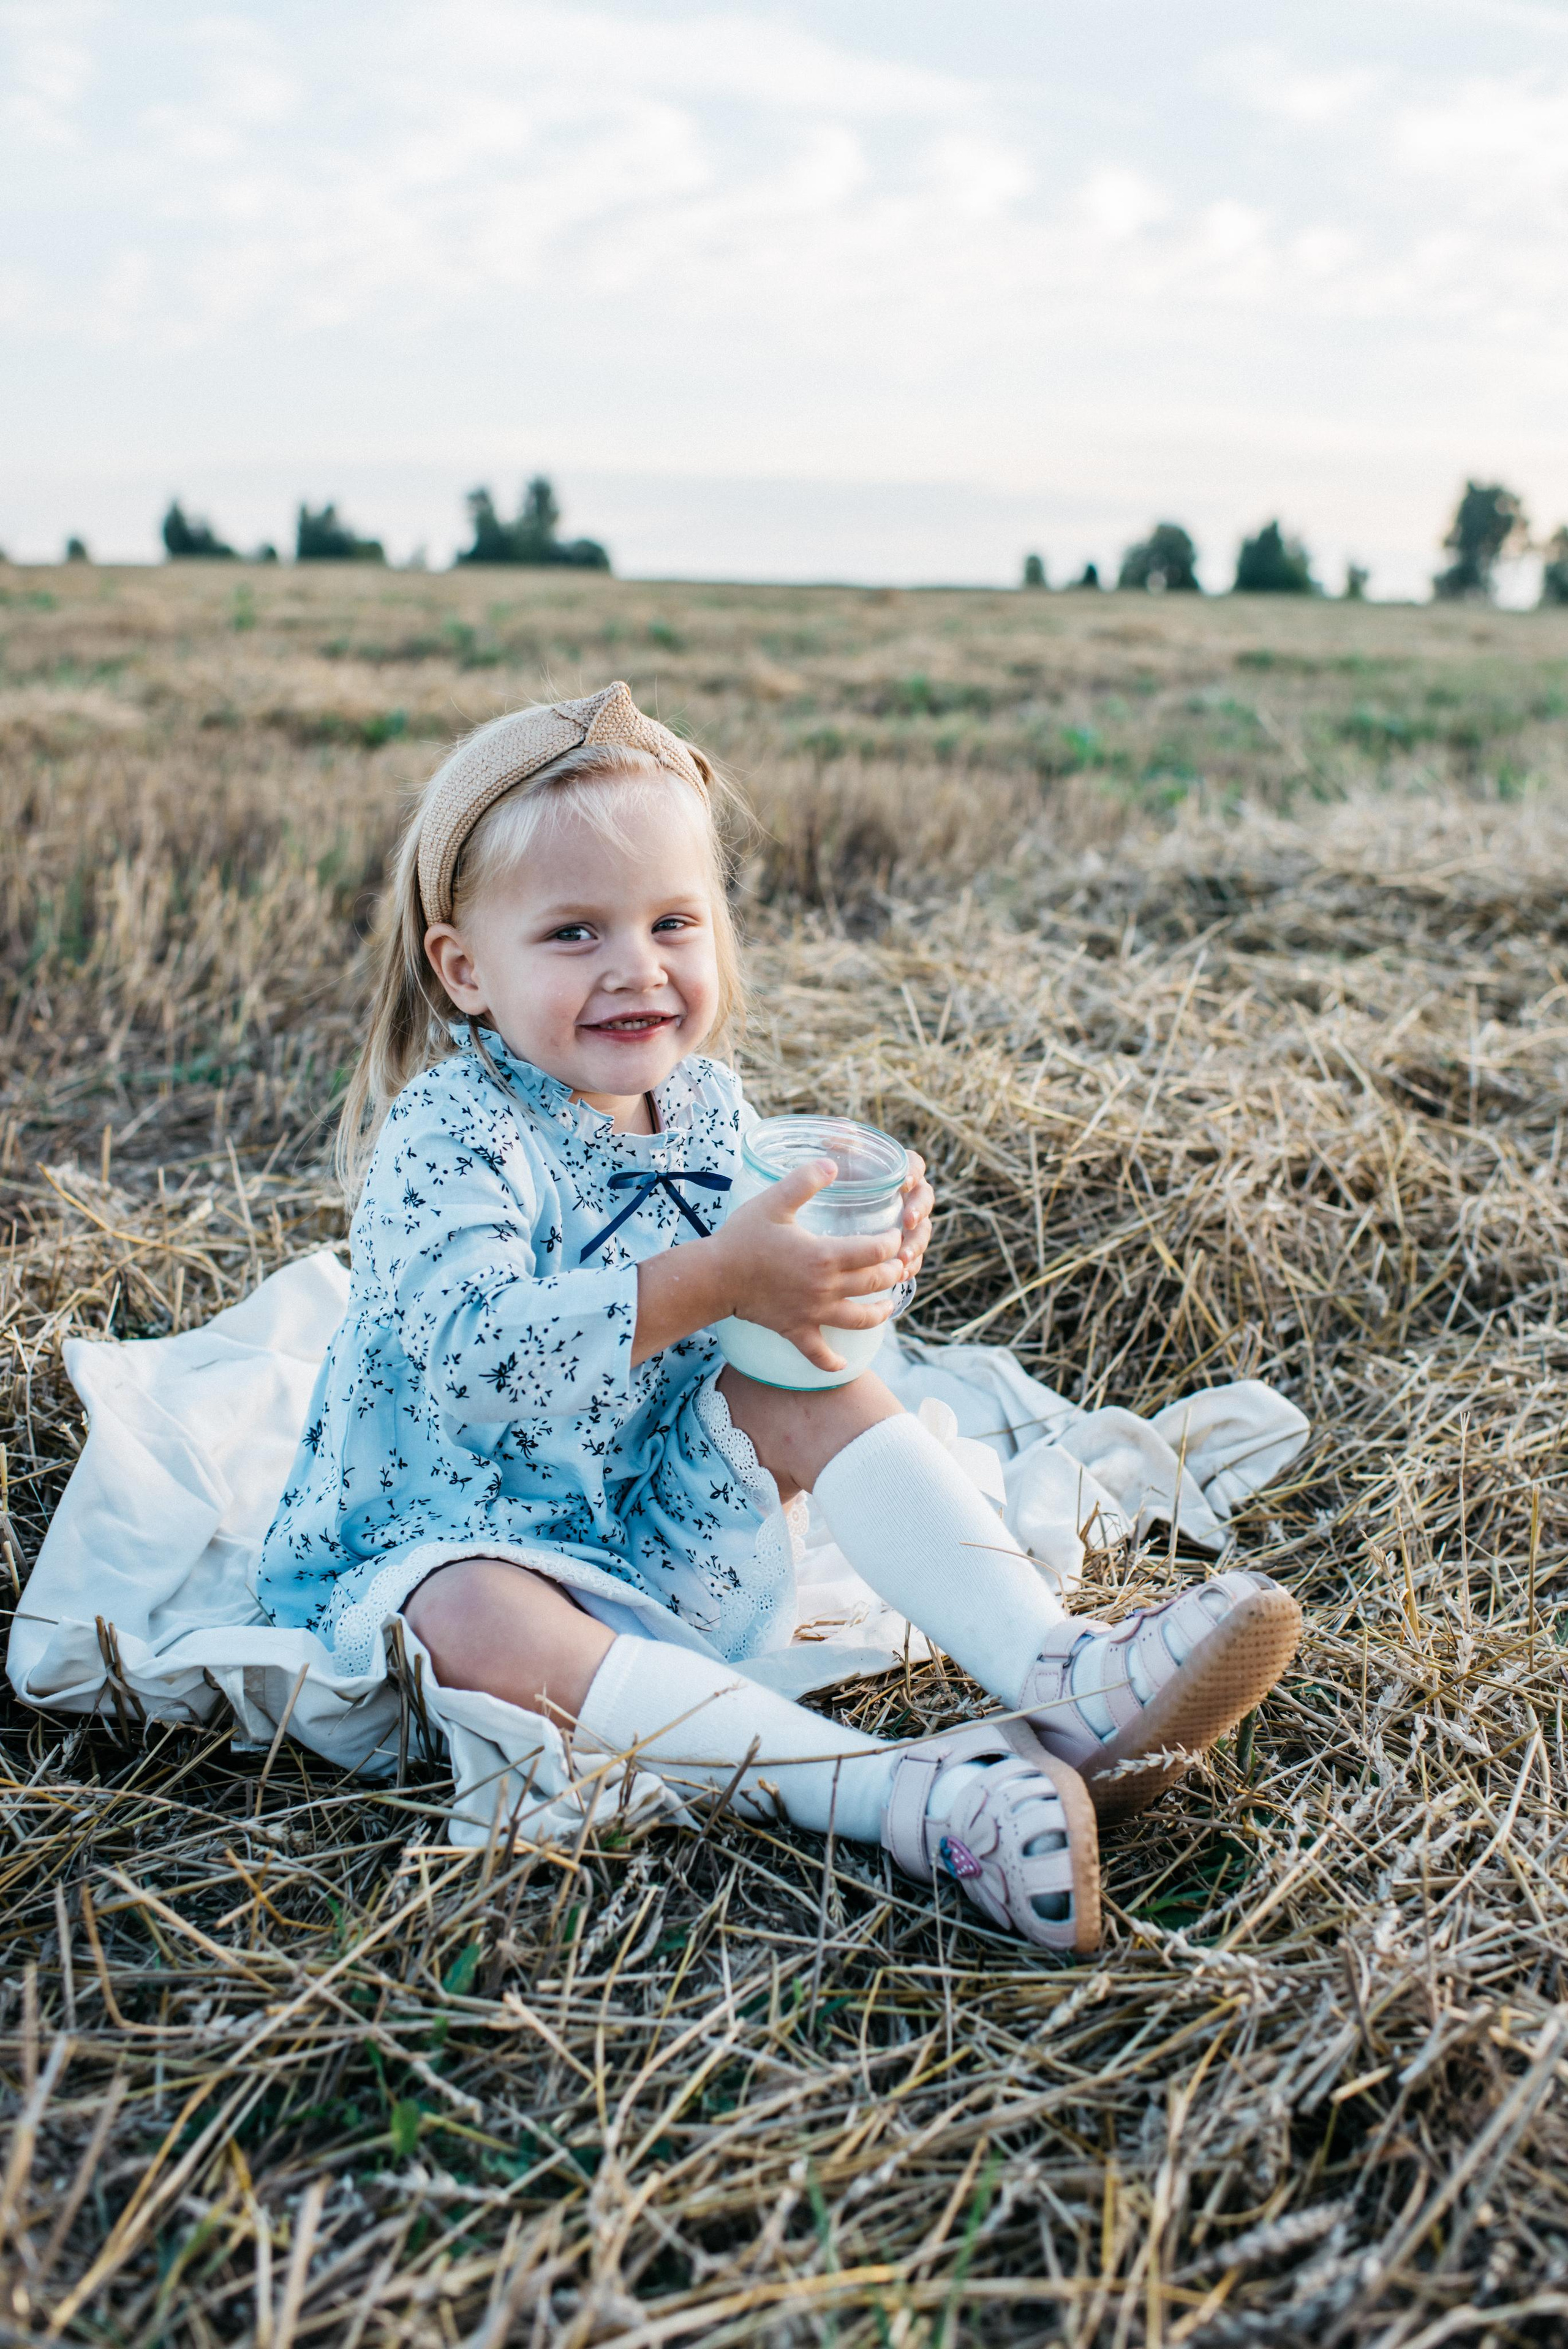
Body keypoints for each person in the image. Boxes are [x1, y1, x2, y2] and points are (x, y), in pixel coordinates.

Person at [258, 684, 1301, 1954]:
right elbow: (477, 1363)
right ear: (464, 970)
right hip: (458, 1535)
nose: (636, 966)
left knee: (808, 1386)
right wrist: (719, 1279)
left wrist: (845, 1274)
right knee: (463, 1615)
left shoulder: (708, 1111)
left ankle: (1057, 1675)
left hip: (651, 1522)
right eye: (574, 933)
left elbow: (767, 1342)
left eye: (672, 922)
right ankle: (900, 1797)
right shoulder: (451, 1133)